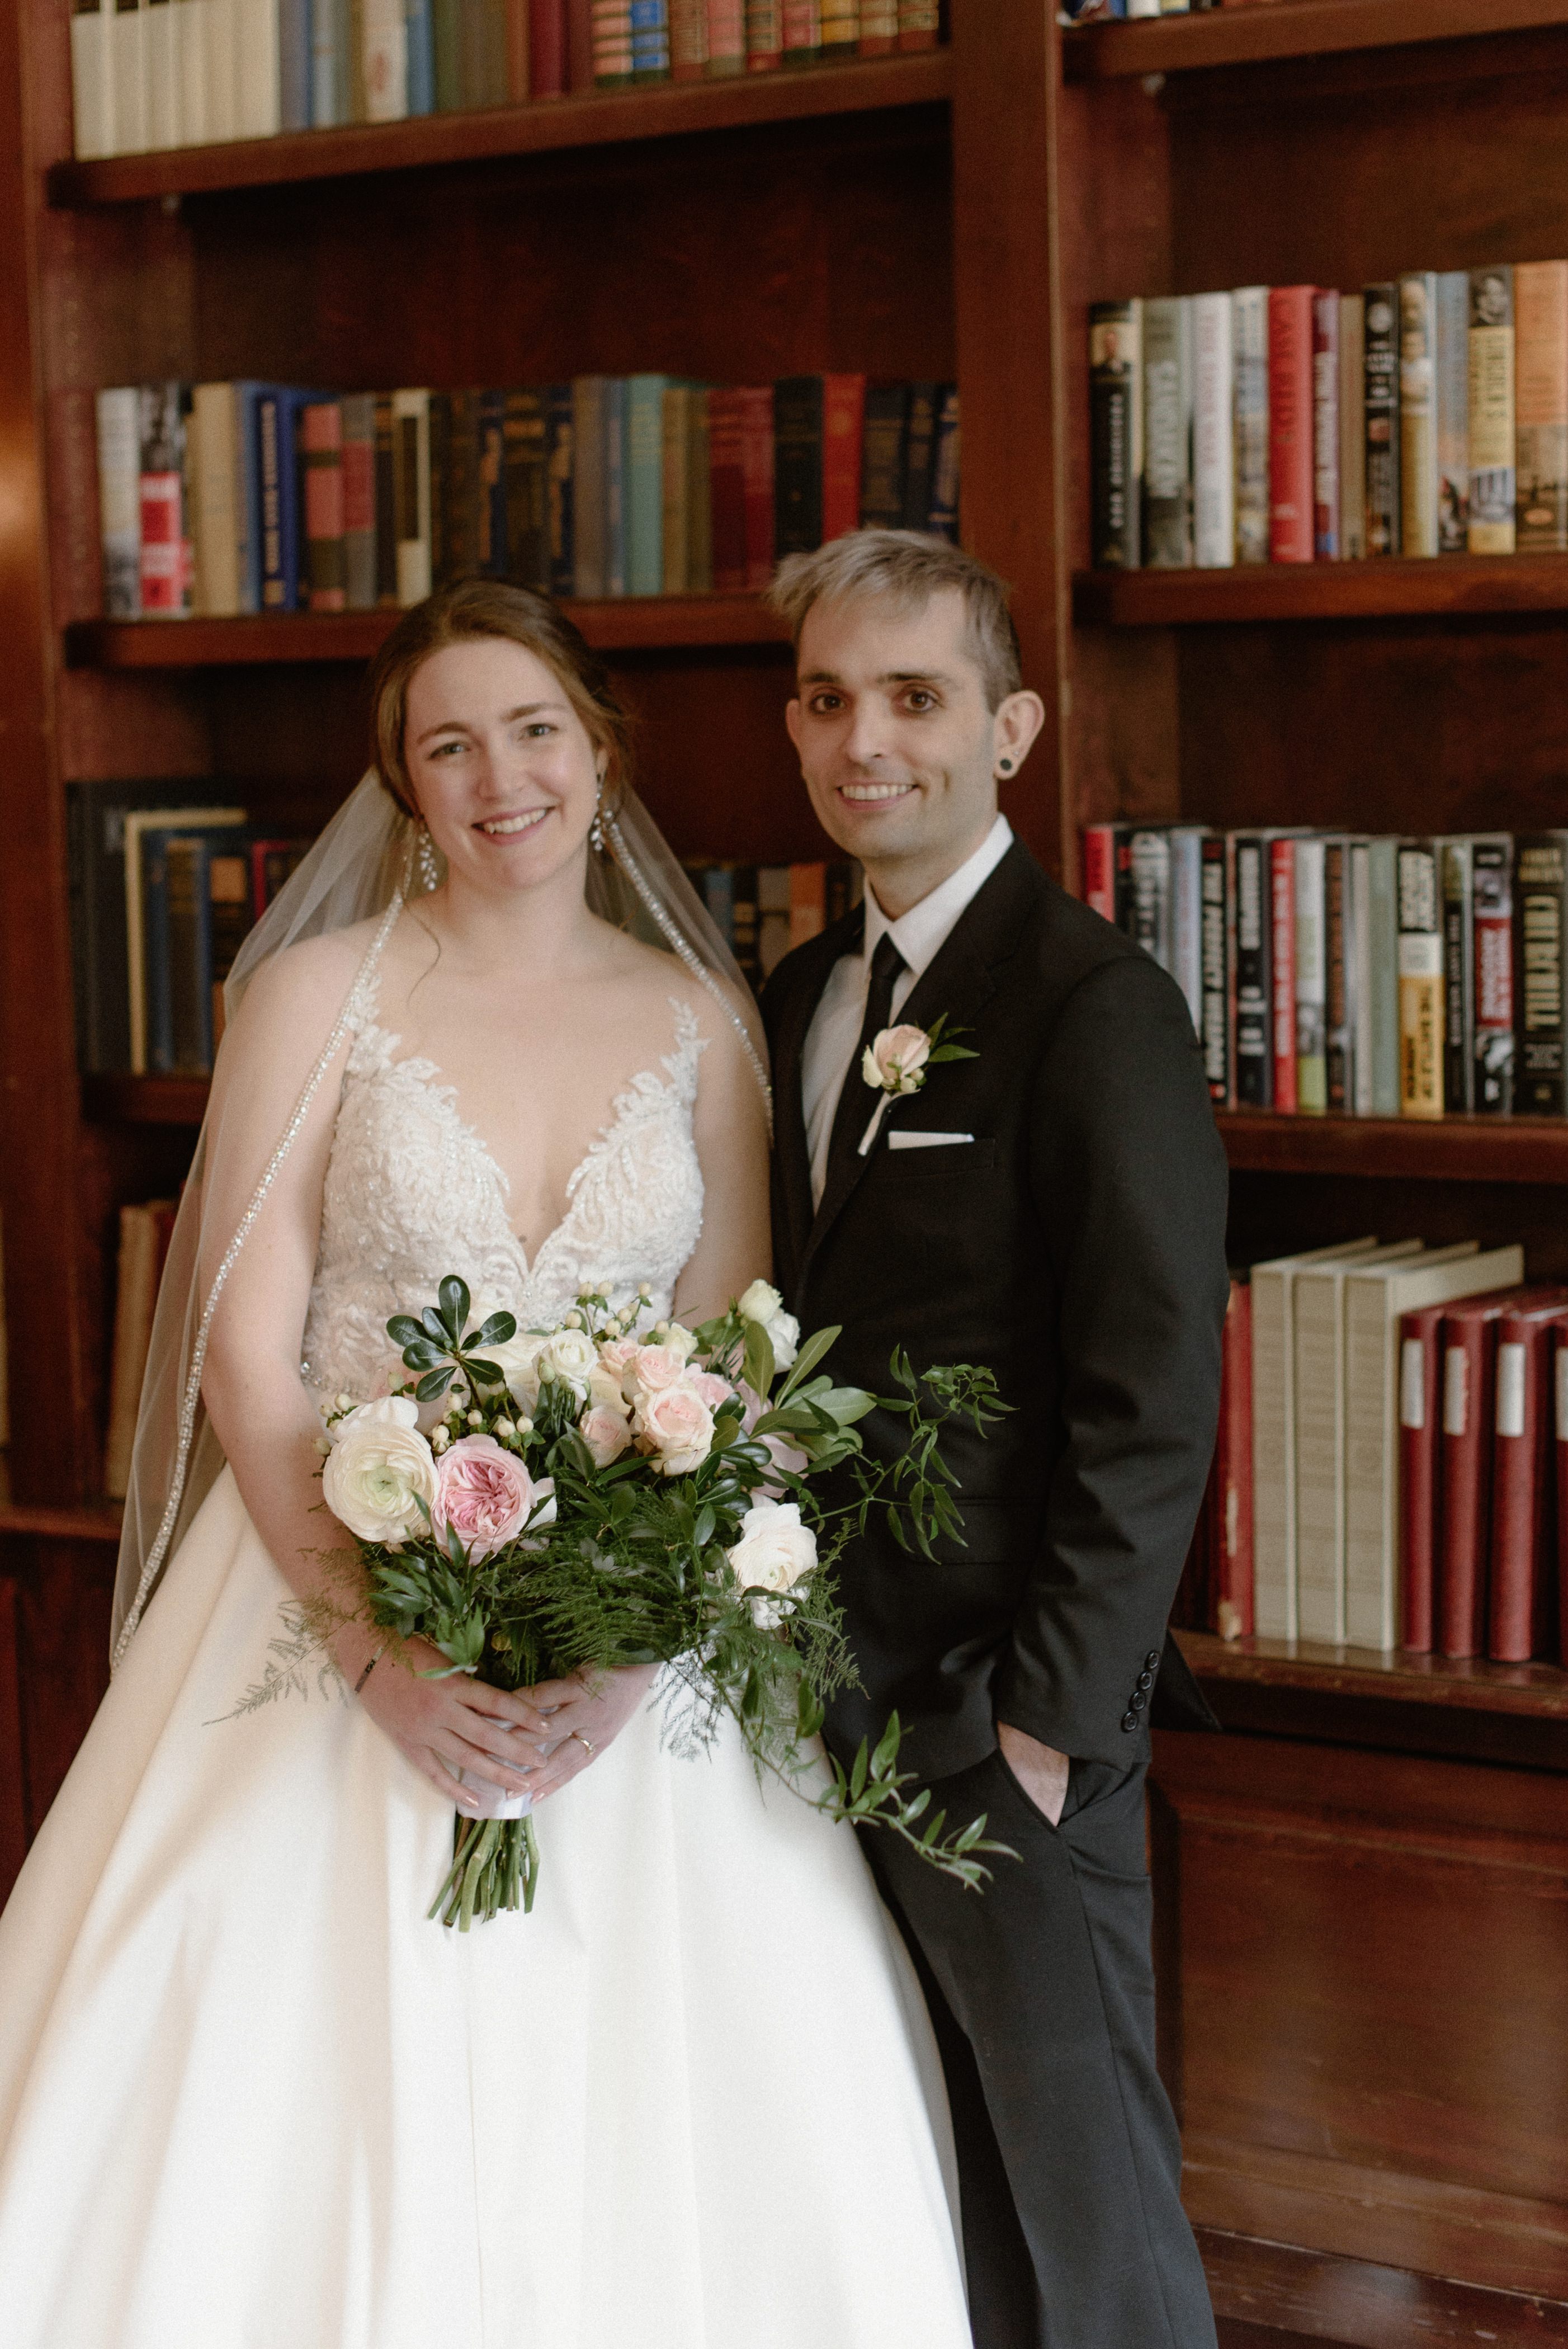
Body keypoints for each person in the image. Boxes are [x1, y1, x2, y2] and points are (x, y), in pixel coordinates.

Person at [0, 581, 972, 2349]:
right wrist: (381, 1656)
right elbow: (246, 1353)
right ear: (404, 784)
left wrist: (635, 1642)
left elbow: (733, 1360)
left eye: (532, 731)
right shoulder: (312, 996)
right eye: (448, 745)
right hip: (327, 1598)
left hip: (639, 1643)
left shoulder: (700, 1018)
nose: (498, 777)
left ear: (598, 751)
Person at [761, 530, 1230, 2349]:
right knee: (925, 2194)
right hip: (813, 1711)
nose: (864, 740)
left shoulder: (1096, 1004)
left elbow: (1151, 1395)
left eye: (914, 697)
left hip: (996, 1719)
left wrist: (1048, 1724)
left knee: (1087, 2214)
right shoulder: (797, 998)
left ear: (1009, 729)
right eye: (827, 700)